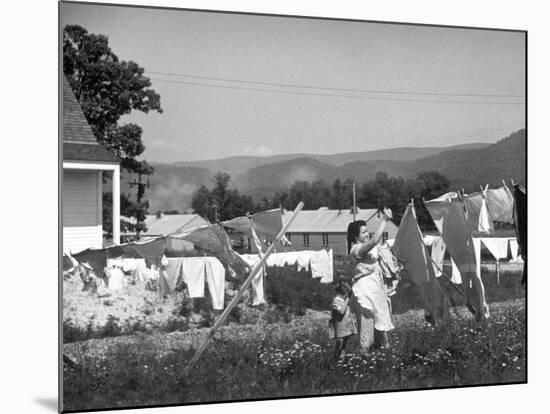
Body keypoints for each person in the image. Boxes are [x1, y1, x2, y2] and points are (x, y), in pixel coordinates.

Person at [347, 208, 395, 352]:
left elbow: (382, 247)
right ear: (356, 236)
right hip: (365, 292)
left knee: (381, 330)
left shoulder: (370, 250)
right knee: (367, 332)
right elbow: (375, 241)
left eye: (367, 231)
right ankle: (365, 361)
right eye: (363, 232)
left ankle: (383, 359)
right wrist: (384, 220)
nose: (367, 233)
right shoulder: (356, 249)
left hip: (376, 291)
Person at [329, 278, 357, 362]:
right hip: (340, 326)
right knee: (340, 343)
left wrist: (348, 288)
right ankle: (336, 360)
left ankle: (341, 360)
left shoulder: (343, 300)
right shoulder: (336, 301)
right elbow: (341, 311)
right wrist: (347, 300)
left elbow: (351, 292)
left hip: (346, 325)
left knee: (344, 344)